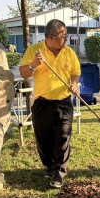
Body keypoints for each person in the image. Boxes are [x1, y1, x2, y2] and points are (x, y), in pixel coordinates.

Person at [19, 19, 80, 188]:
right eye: (63, 36)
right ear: (51, 37)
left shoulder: (69, 53)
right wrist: (34, 65)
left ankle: (59, 171)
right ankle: (50, 166)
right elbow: (24, 73)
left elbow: (75, 72)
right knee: (43, 138)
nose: (66, 40)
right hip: (42, 103)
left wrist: (74, 84)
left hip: (63, 102)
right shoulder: (34, 51)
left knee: (63, 136)